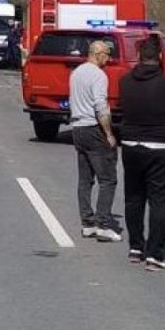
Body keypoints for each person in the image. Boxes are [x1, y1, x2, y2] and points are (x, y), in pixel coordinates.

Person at [119, 36, 165, 270]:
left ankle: (136, 246)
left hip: (130, 144)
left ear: (139, 57)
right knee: (159, 202)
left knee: (134, 198)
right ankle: (155, 253)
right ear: (159, 57)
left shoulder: (125, 81)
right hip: (160, 145)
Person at [69, 40, 121, 242]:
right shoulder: (98, 75)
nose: (109, 58)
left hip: (78, 127)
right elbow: (100, 106)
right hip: (93, 128)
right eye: (107, 54)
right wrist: (109, 133)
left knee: (85, 179)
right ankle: (103, 224)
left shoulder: (77, 73)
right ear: (98, 54)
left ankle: (87, 223)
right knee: (107, 179)